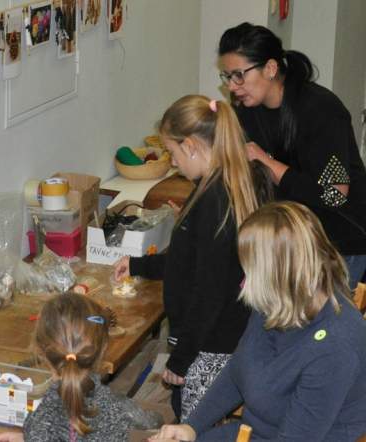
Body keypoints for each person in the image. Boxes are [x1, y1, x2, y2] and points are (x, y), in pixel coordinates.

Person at [150, 201, 366, 442]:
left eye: (249, 269)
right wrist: (191, 427)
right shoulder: (277, 302)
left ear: (278, 274)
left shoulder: (336, 346)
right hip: (256, 430)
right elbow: (238, 370)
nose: (244, 281)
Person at [113, 95, 267, 422]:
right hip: (219, 335)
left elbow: (208, 291)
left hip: (210, 344)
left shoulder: (214, 201)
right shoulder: (215, 184)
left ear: (192, 146)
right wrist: (138, 265)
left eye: (173, 152)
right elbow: (190, 262)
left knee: (194, 424)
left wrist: (181, 359)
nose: (173, 162)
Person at [218, 22, 366, 289]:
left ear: (270, 68)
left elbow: (334, 195)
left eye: (239, 75)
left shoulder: (322, 110)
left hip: (340, 244)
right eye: (227, 76)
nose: (232, 86)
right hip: (292, 239)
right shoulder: (247, 110)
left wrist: (267, 162)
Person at [0, 293, 162, 442]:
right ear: (102, 349)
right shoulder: (118, 409)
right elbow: (154, 421)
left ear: (41, 352)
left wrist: (28, 437)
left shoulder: (39, 421)